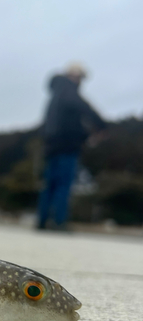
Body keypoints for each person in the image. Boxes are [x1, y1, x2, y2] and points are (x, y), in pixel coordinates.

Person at [37, 63, 107, 230]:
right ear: (74, 76)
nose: (80, 82)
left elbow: (55, 124)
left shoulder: (55, 96)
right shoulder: (70, 92)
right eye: (79, 78)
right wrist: (101, 126)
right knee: (63, 185)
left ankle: (42, 221)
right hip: (67, 147)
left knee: (50, 185)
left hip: (51, 147)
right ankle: (59, 222)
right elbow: (85, 109)